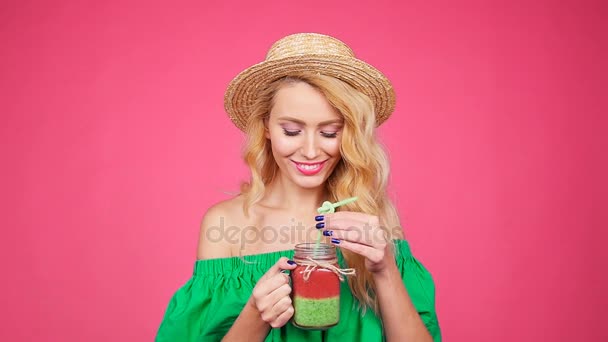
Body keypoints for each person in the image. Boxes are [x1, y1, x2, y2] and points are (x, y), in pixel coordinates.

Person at [156, 33, 441, 341]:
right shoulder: (225, 223)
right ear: (265, 126)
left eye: (330, 132)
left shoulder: (371, 219)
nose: (309, 150)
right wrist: (256, 312)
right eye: (292, 131)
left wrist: (385, 269)